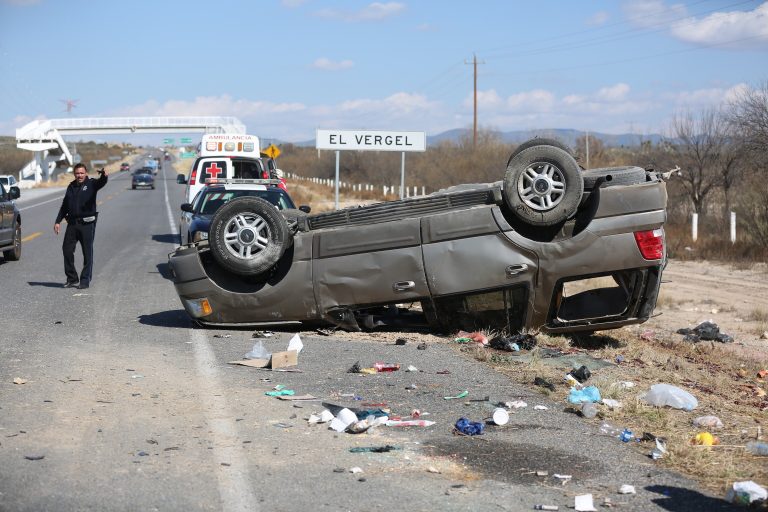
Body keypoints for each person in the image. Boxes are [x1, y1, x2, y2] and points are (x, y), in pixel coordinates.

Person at [53, 163, 108, 289]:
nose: (80, 175)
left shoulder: (92, 184)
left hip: (87, 224)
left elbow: (101, 182)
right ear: (74, 174)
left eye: (82, 173)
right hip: (72, 224)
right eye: (77, 173)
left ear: (86, 173)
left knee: (87, 253)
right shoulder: (71, 186)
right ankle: (72, 278)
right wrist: (57, 221)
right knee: (66, 250)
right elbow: (64, 205)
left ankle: (85, 280)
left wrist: (104, 177)